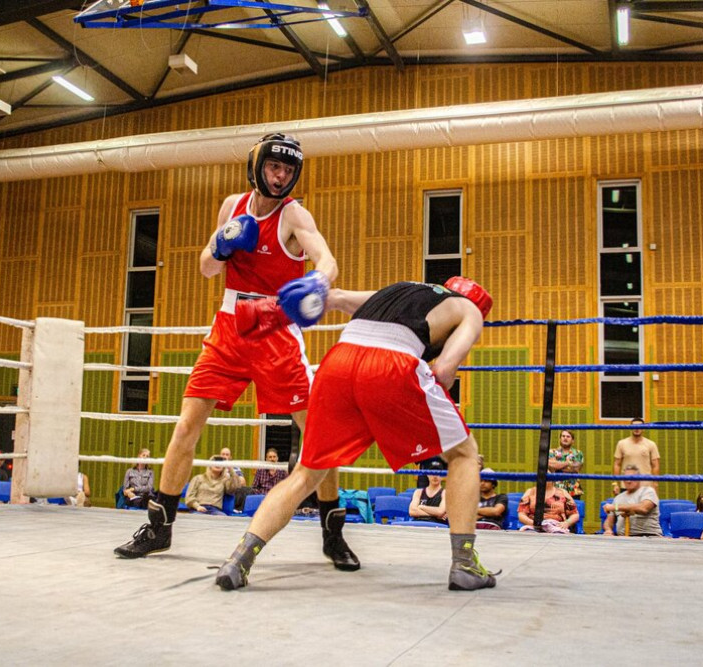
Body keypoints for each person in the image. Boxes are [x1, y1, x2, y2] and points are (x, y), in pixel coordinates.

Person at [114, 133, 359, 572]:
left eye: (287, 170)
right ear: (258, 166)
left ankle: (332, 531)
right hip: (229, 325)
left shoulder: (294, 214)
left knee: (316, 432)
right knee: (188, 424)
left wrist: (319, 282)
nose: (280, 176)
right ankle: (159, 526)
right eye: (274, 167)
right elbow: (207, 266)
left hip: (275, 328)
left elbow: (327, 259)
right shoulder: (233, 206)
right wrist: (223, 245)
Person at [215, 276, 499, 591]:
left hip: (337, 364)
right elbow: (444, 370)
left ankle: (238, 560)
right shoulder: (470, 312)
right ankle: (465, 564)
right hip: (393, 364)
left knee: (307, 473)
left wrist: (278, 309)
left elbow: (333, 297)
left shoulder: (399, 290)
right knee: (463, 454)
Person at [602, 465, 662, 537]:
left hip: (648, 537)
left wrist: (616, 507)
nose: (629, 481)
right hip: (622, 539)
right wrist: (608, 529)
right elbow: (609, 521)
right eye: (626, 478)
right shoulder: (618, 498)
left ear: (639, 478)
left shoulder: (648, 491)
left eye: (632, 478)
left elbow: (643, 508)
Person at [613, 418, 660, 488]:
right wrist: (615, 484)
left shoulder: (651, 444)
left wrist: (655, 483)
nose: (637, 428)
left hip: (645, 485)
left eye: (640, 426)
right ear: (630, 428)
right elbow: (617, 464)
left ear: (644, 428)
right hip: (627, 484)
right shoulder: (621, 443)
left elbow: (655, 465)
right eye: (634, 426)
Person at [409, 458, 447, 524]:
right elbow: (412, 511)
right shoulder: (418, 492)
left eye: (438, 473)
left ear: (442, 475)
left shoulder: (445, 493)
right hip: (418, 526)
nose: (435, 476)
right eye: (432, 473)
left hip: (436, 529)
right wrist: (434, 515)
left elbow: (440, 512)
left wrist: (421, 507)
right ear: (427, 474)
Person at [548, 429, 583, 499]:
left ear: (573, 440)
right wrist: (567, 463)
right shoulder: (552, 452)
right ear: (560, 438)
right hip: (556, 489)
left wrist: (558, 466)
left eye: (568, 436)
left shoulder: (578, 453)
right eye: (563, 436)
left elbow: (575, 469)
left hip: (573, 490)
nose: (565, 438)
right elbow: (552, 465)